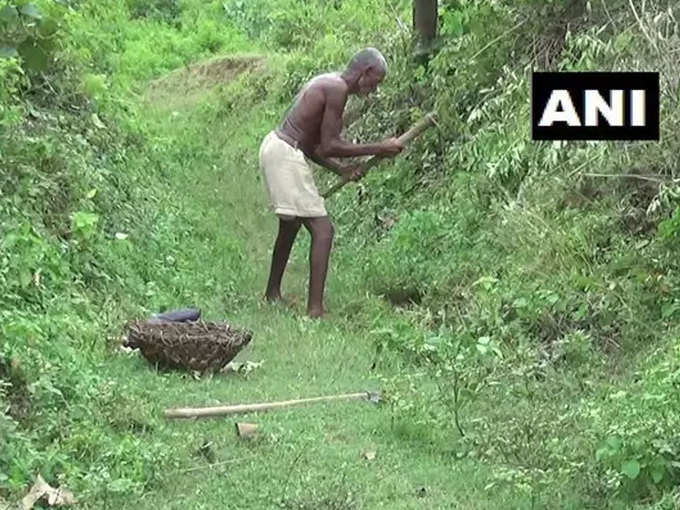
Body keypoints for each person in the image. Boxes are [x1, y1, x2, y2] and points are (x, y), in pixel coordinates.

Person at [258, 47, 403, 318]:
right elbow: (331, 144)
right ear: (366, 72)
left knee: (290, 227)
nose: (374, 90)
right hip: (285, 153)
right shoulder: (336, 89)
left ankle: (272, 294)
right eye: (375, 82)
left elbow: (316, 147)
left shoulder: (329, 83)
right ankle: (315, 310)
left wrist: (342, 170)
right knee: (323, 231)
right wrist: (379, 147)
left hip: (277, 147)